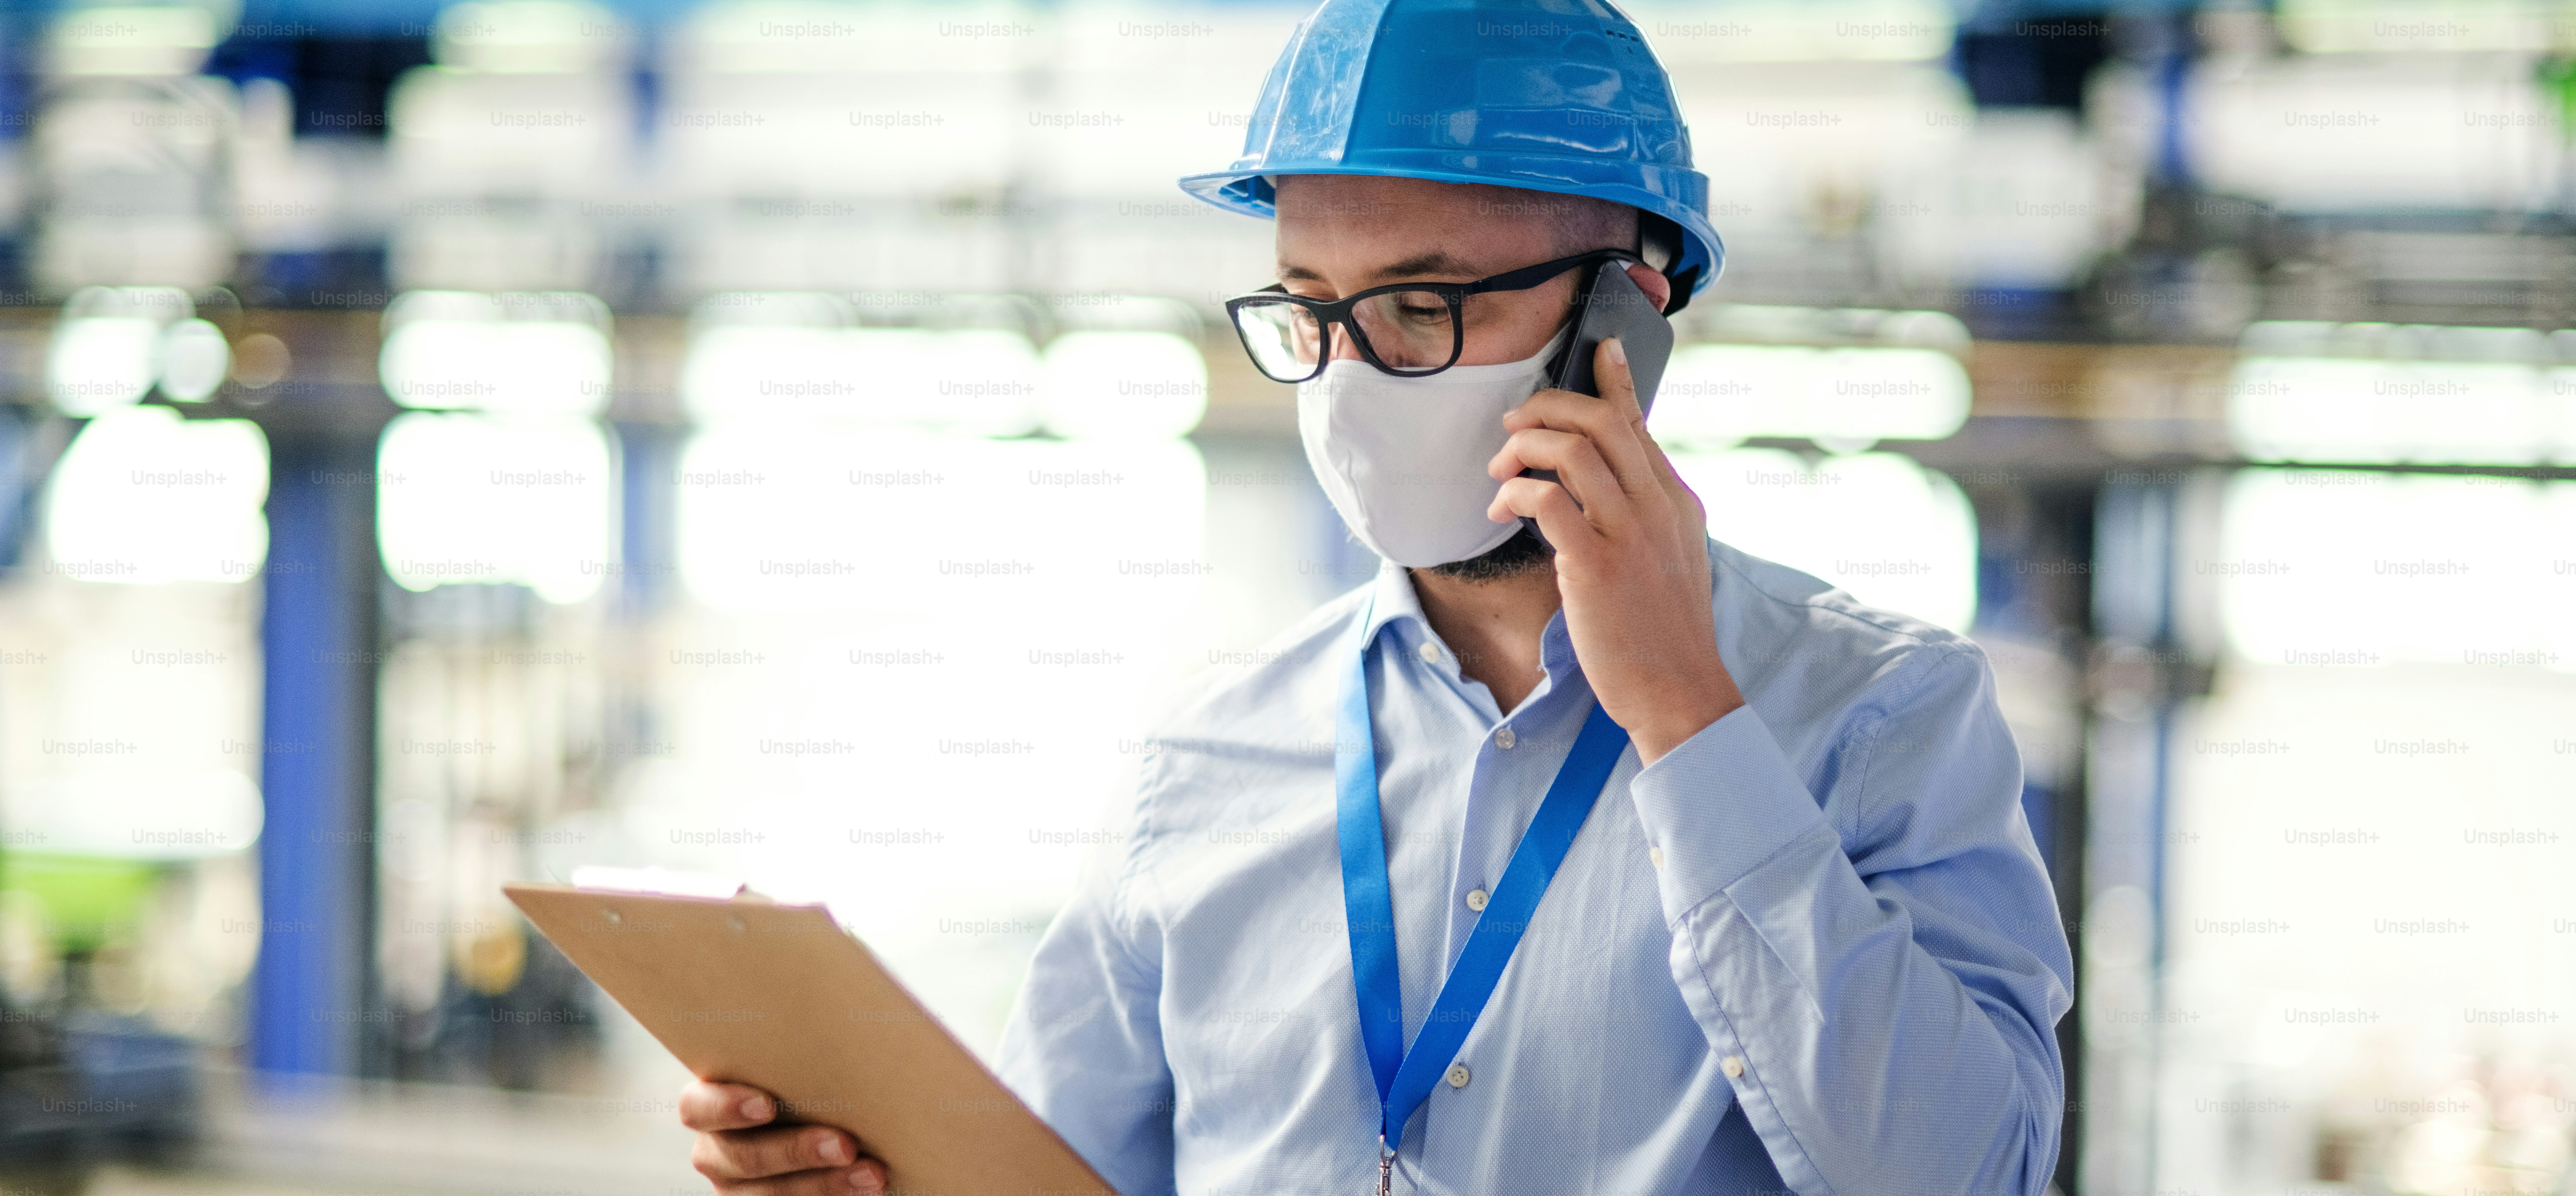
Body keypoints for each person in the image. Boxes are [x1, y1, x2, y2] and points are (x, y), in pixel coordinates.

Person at [679, 2, 2073, 1194]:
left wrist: (1689, 724)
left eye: (1422, 307)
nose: (1352, 377)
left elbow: (1971, 1167)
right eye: (1311, 308)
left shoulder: (1880, 715)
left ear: (1624, 314)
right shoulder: (1210, 757)